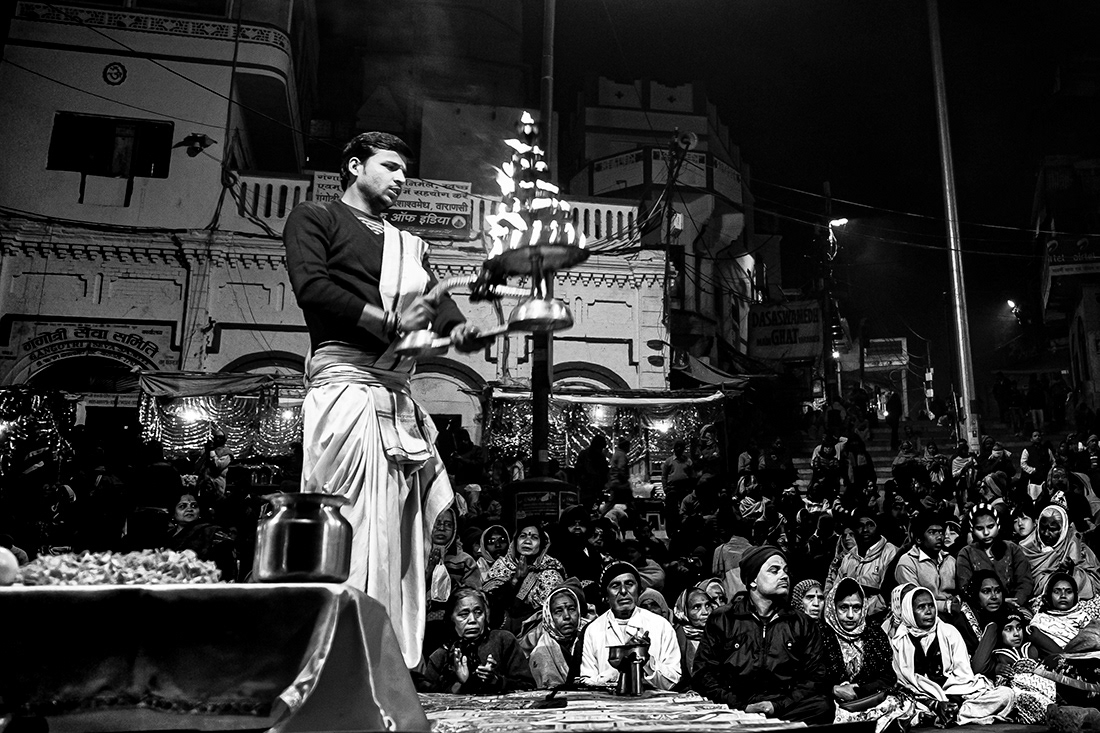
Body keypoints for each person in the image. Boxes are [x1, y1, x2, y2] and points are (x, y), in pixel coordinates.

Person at [284, 131, 484, 666]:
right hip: (346, 392)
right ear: (354, 165)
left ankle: (384, 662)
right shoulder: (315, 218)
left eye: (405, 172)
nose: (401, 179)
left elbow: (440, 309)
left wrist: (459, 331)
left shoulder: (409, 246)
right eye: (390, 167)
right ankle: (335, 660)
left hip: (393, 397)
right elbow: (313, 288)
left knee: (395, 537)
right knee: (347, 523)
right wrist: (389, 321)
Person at [692, 545, 834, 724]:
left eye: (785, 571)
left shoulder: (801, 623)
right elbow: (703, 673)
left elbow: (816, 677)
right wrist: (741, 706)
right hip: (735, 706)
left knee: (823, 706)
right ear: (752, 580)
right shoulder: (724, 618)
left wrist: (778, 705)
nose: (784, 576)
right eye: (774, 570)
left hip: (784, 707)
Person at [891, 587, 1016, 727]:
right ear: (909, 611)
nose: (928, 611)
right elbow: (903, 684)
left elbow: (963, 677)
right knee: (897, 704)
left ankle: (949, 714)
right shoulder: (900, 641)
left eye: (931, 605)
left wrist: (951, 702)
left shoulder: (949, 632)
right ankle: (942, 714)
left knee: (1006, 694)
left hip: (955, 695)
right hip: (923, 699)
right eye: (921, 607)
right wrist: (935, 704)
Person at [822, 577, 911, 732]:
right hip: (834, 702)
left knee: (898, 701)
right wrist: (834, 689)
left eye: (856, 608)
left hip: (868, 699)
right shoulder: (821, 635)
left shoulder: (875, 634)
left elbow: (888, 677)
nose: (850, 615)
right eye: (843, 608)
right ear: (833, 607)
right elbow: (811, 678)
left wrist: (859, 690)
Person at [577, 561, 682, 690]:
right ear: (605, 595)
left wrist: (648, 662)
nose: (623, 591)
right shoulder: (593, 630)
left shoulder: (661, 626)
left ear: (638, 590)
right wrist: (613, 675)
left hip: (652, 705)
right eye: (615, 586)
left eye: (629, 584)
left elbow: (673, 680)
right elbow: (587, 680)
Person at [413, 587, 534, 693]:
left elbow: (529, 687)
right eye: (463, 614)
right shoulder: (441, 656)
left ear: (486, 616)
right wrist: (461, 684)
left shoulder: (503, 641)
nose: (472, 620)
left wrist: (497, 681)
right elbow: (429, 696)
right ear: (451, 619)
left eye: (478, 613)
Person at [482, 523, 566, 635]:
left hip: (540, 633)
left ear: (542, 544)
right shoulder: (502, 565)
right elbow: (489, 603)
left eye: (534, 537)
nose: (527, 541)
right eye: (523, 536)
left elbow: (553, 610)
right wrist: (516, 579)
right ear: (515, 541)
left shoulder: (551, 570)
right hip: (502, 632)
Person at [955, 503, 1034, 607]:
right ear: (972, 529)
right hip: (980, 610)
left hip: (1014, 606)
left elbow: (1025, 581)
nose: (986, 532)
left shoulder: (1012, 549)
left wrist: (1016, 601)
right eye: (979, 528)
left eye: (990, 526)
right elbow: (965, 588)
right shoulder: (966, 553)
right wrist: (996, 603)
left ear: (998, 525)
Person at [1020, 504, 1100, 604]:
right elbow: (1023, 583)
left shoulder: (1077, 548)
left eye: (1053, 529)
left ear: (1063, 530)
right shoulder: (1025, 549)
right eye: (1043, 528)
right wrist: (1056, 574)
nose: (1046, 533)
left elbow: (1094, 583)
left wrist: (1072, 571)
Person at [989, 607, 1056, 725]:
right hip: (1020, 690)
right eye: (1008, 629)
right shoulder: (999, 655)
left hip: (1043, 684)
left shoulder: (1031, 648)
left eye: (1019, 628)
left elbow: (1057, 656)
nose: (1016, 633)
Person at [828, 509, 898, 618]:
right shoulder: (848, 558)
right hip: (847, 617)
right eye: (860, 526)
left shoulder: (891, 553)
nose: (865, 529)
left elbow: (886, 595)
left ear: (878, 527)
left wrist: (860, 612)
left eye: (870, 525)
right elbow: (836, 591)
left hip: (878, 618)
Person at [895, 511, 957, 615]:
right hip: (922, 615)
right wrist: (945, 606)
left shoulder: (950, 560)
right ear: (919, 539)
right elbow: (915, 600)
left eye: (941, 532)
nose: (939, 537)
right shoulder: (907, 562)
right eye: (932, 532)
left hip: (952, 612)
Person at [165, 491, 237, 581]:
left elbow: (226, 564)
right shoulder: (166, 536)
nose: (189, 509)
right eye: (182, 506)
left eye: (194, 506)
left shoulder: (211, 532)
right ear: (173, 513)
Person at [528, 583, 586, 689]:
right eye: (558, 611)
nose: (567, 616)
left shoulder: (590, 637)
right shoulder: (542, 651)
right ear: (549, 616)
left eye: (571, 609)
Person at [951, 569, 1008, 675]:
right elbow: (973, 665)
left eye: (998, 591)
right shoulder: (963, 621)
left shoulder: (1006, 612)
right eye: (986, 592)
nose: (994, 597)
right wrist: (993, 668)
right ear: (976, 594)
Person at [1028, 573, 1100, 655]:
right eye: (1057, 592)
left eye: (1069, 592)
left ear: (1075, 596)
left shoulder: (1084, 617)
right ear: (1049, 595)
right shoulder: (1039, 623)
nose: (1063, 596)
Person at [673, 587, 715, 687]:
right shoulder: (677, 637)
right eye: (697, 607)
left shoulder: (717, 634)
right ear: (684, 611)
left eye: (708, 605)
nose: (705, 612)